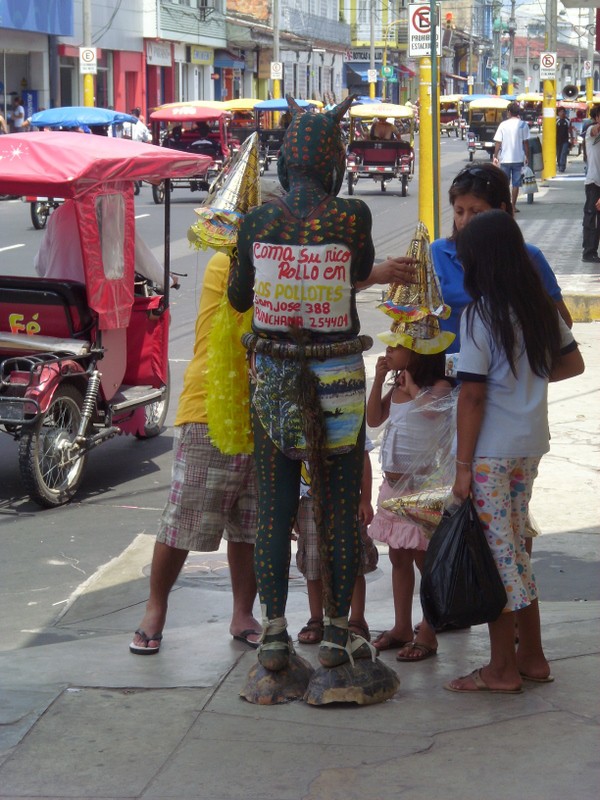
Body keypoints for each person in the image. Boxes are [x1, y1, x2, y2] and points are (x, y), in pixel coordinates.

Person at [228, 96, 377, 674]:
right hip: (337, 374)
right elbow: (358, 272)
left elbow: (239, 297)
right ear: (334, 160)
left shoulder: (257, 222)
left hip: (273, 377)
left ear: (287, 159)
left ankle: (273, 635)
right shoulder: (352, 216)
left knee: (275, 507)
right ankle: (337, 633)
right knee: (337, 508)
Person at [445, 210, 584, 693]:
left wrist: (462, 468)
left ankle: (502, 667)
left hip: (490, 454)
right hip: (529, 446)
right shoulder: (538, 308)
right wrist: (528, 381)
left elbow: (472, 396)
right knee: (515, 550)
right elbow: (573, 364)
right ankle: (534, 657)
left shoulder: (479, 315)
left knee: (498, 558)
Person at [130, 250, 261, 654]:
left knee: (251, 525)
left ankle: (243, 614)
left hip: (263, 414)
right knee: (183, 520)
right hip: (211, 411)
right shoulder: (229, 263)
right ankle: (155, 609)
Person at [367, 303, 455, 663]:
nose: (388, 351)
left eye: (395, 347)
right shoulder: (397, 387)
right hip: (393, 488)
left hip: (423, 489)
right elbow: (374, 419)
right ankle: (402, 625)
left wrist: (414, 386)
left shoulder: (438, 386)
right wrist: (379, 380)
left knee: (424, 561)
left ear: (417, 351)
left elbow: (433, 411)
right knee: (399, 558)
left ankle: (428, 631)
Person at [430, 162, 573, 354]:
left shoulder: (529, 258)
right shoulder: (437, 253)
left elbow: (562, 324)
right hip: (446, 372)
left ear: (501, 210)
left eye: (476, 212)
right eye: (459, 211)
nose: (464, 221)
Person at [296, 446, 377, 645]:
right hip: (308, 502)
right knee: (312, 563)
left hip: (346, 498)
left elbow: (363, 456)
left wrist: (365, 499)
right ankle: (316, 619)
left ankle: (357, 619)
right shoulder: (298, 429)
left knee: (352, 562)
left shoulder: (351, 425)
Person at [493, 101, 529, 212]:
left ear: (509, 112)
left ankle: (506, 206)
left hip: (505, 159)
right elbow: (526, 143)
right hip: (518, 159)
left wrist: (495, 156)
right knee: (516, 184)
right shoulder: (523, 125)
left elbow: (498, 142)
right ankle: (513, 206)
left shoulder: (503, 125)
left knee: (505, 183)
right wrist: (527, 156)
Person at [582, 105, 600, 263]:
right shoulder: (590, 131)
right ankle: (589, 251)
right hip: (594, 183)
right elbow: (594, 131)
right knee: (591, 217)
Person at [556, 107, 571, 173]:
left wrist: (572, 139)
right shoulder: (556, 121)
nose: (562, 113)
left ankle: (562, 166)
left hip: (565, 140)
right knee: (558, 153)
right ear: (558, 113)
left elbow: (570, 130)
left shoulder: (567, 121)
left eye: (563, 112)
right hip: (558, 141)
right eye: (561, 112)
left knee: (563, 153)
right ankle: (559, 164)